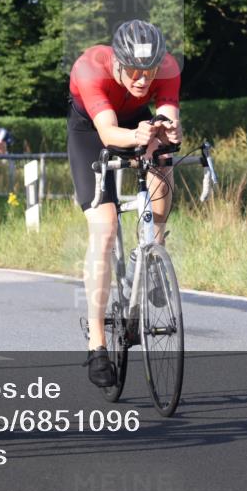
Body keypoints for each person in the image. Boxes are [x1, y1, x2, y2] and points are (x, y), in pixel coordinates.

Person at [67, 19, 182, 387]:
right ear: (117, 61)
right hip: (92, 130)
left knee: (163, 162)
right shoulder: (90, 68)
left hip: (138, 122)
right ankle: (97, 344)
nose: (142, 79)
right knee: (105, 228)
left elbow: (169, 119)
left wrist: (168, 131)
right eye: (133, 70)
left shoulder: (167, 68)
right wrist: (136, 136)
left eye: (149, 71)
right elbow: (108, 133)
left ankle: (150, 253)